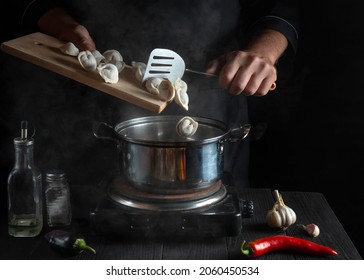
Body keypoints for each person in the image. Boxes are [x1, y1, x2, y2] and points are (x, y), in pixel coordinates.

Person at [1, 0, 299, 190]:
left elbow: (283, 6)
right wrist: (66, 26)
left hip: (212, 104)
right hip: (95, 98)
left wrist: (263, 52)